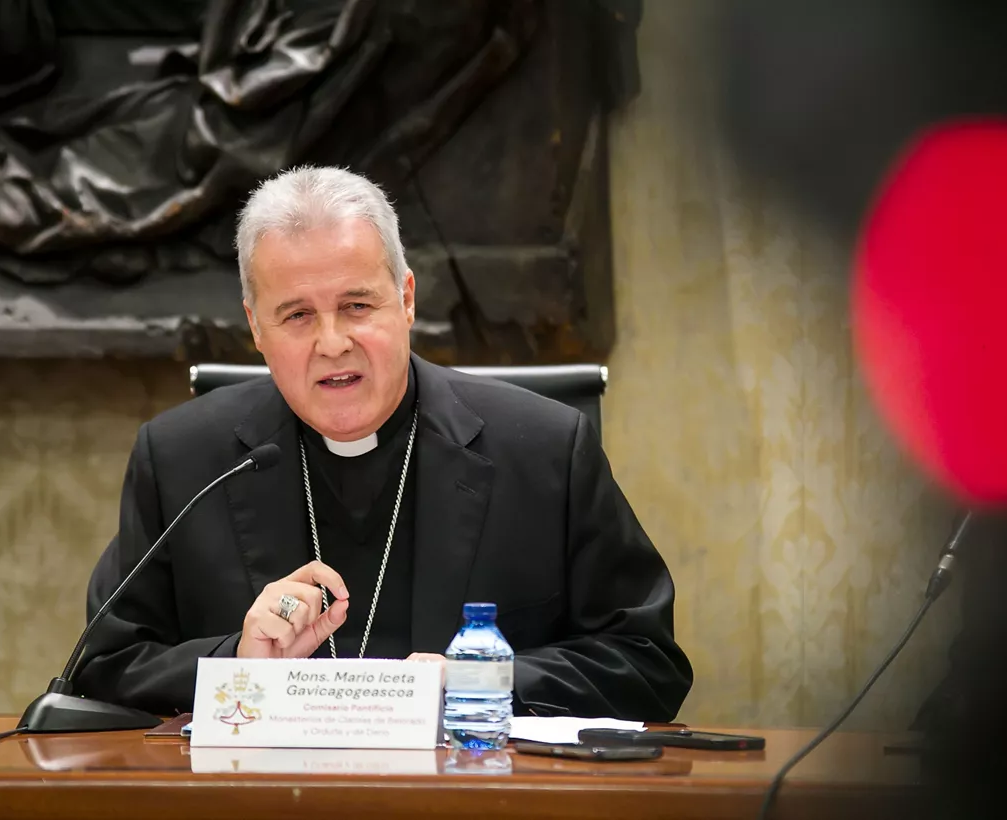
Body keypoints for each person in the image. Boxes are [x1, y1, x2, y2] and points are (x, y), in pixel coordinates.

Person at [74, 166, 692, 722]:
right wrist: (239, 661)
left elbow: (647, 663)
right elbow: (102, 667)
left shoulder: (545, 450)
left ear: (406, 300)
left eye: (357, 304)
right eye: (296, 315)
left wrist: (476, 681)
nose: (333, 341)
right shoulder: (184, 459)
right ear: (255, 329)